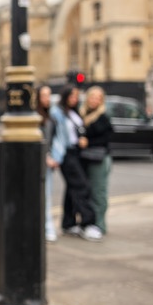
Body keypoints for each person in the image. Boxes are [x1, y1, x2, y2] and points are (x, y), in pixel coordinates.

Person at [49, 84, 102, 241]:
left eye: (76, 96)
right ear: (65, 96)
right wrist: (52, 155)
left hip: (77, 152)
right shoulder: (57, 113)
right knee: (82, 186)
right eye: (71, 96)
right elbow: (54, 136)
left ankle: (68, 223)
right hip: (66, 154)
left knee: (72, 189)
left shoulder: (73, 112)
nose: (74, 99)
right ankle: (87, 224)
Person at [79, 86, 113, 234]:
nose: (95, 100)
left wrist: (88, 142)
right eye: (92, 97)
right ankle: (89, 223)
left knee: (99, 192)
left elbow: (106, 139)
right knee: (87, 192)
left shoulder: (103, 116)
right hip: (85, 158)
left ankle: (100, 225)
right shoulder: (82, 114)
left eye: (98, 98)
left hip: (99, 159)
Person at [37, 86, 58, 242]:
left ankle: (48, 227)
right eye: (44, 95)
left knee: (47, 196)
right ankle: (45, 227)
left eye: (49, 95)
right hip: (39, 162)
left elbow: (53, 140)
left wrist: (53, 156)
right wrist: (45, 156)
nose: (47, 98)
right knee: (40, 196)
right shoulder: (36, 117)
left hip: (47, 164)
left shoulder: (51, 116)